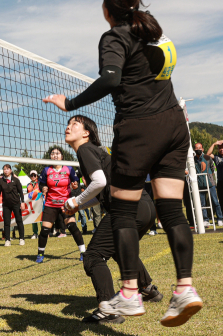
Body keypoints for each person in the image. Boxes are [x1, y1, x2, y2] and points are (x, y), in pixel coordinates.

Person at [43, 0, 202, 326]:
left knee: (125, 213)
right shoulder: (150, 28)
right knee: (171, 211)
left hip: (139, 128)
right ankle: (185, 289)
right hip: (173, 125)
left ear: (107, 11)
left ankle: (129, 293)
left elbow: (111, 79)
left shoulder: (113, 36)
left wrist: (72, 104)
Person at [64, 115, 163, 324]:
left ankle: (108, 309)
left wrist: (75, 201)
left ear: (86, 133)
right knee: (119, 250)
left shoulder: (85, 149)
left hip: (127, 208)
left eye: (74, 124)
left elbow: (98, 182)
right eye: (68, 123)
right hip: (144, 206)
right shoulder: (98, 152)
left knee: (93, 256)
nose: (68, 126)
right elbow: (101, 192)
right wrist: (79, 206)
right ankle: (147, 289)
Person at [34, 147, 84, 264]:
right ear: (50, 156)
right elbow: (41, 185)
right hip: (51, 204)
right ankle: (40, 254)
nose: (55, 155)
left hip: (66, 204)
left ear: (62, 156)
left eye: (57, 153)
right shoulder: (46, 170)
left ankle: (83, 252)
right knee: (45, 230)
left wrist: (75, 186)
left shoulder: (69, 168)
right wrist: (43, 188)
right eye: (52, 153)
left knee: (72, 227)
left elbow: (75, 182)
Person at [0, 165, 25, 246]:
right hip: (6, 205)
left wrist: (22, 202)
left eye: (7, 169)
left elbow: (20, 192)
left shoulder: (16, 180)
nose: (6, 170)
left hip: (16, 203)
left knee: (19, 221)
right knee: (6, 223)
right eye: (4, 169)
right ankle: (7, 240)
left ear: (10, 170)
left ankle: (21, 239)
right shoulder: (1, 181)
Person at [193, 143, 223, 227]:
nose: (198, 149)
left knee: (215, 201)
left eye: (199, 148)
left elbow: (213, 169)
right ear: (194, 150)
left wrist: (210, 176)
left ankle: (220, 218)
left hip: (210, 183)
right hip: (199, 184)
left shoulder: (207, 157)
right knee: (202, 204)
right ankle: (205, 219)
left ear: (202, 149)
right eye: (196, 148)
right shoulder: (193, 160)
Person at [205, 140, 223, 223]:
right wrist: (214, 144)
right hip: (220, 181)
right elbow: (207, 155)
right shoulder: (216, 157)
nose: (221, 149)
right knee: (222, 200)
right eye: (219, 148)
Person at [26, 170, 42, 239]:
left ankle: (43, 233)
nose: (33, 177)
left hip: (39, 203)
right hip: (32, 204)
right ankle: (35, 233)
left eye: (34, 175)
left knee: (41, 218)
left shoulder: (40, 183)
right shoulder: (28, 185)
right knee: (33, 219)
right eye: (31, 175)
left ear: (37, 176)